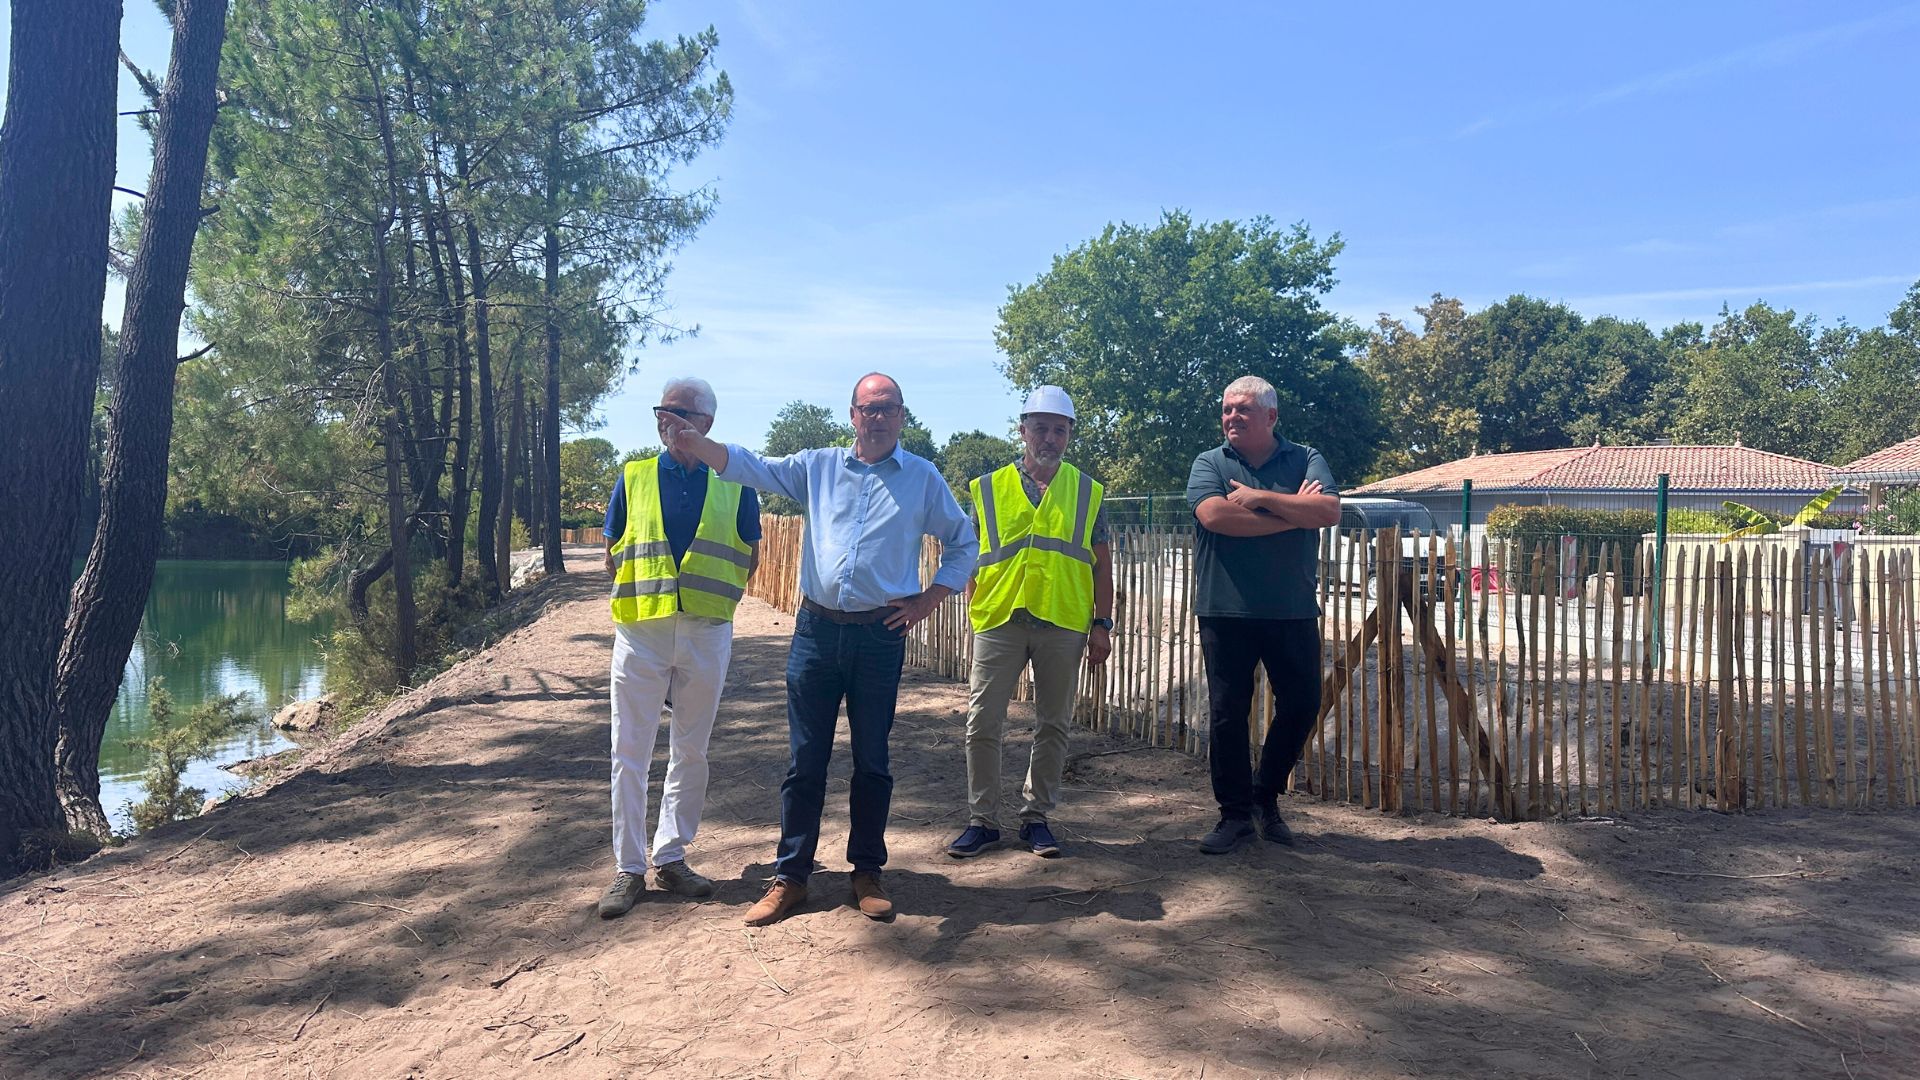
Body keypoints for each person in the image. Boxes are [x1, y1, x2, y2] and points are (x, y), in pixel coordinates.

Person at [658, 373, 977, 925]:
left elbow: (963, 540)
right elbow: (747, 465)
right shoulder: (817, 467)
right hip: (816, 632)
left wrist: (930, 599)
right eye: (868, 408)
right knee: (805, 761)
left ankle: (866, 872)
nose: (877, 418)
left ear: (902, 416)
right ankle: (792, 876)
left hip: (880, 635)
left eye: (888, 409)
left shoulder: (922, 479)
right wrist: (694, 442)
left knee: (872, 760)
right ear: (852, 414)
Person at [596, 377, 762, 918]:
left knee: (691, 749)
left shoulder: (737, 483)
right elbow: (612, 551)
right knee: (629, 752)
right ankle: (629, 868)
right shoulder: (634, 476)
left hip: (706, 631)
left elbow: (750, 555)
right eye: (662, 412)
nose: (668, 421)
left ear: (707, 422)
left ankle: (670, 855)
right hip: (641, 632)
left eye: (680, 413)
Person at [948, 386, 1113, 860]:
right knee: (983, 721)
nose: (1049, 437)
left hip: (1063, 620)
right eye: (1040, 428)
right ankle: (983, 820)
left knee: (1054, 724)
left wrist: (1101, 623)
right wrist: (974, 602)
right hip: (1001, 619)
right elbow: (969, 553)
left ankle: (1036, 817)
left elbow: (1102, 563)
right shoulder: (989, 488)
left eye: (1059, 430)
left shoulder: (1086, 492)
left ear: (1069, 436)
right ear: (1022, 431)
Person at [1185, 375, 1340, 854]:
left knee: (1302, 703)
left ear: (1271, 416)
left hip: (1290, 610)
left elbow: (1329, 511)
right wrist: (1294, 510)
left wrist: (1262, 499)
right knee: (1228, 713)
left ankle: (1264, 797)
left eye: (1243, 410)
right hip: (1224, 609)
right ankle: (1233, 816)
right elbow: (1215, 517)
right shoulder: (1209, 462)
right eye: (1227, 409)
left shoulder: (1306, 456)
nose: (1232, 417)